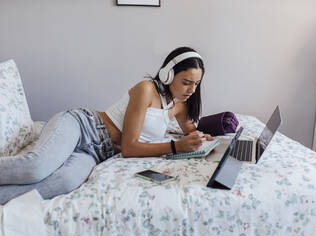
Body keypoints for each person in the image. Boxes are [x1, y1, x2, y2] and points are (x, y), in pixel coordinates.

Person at [0, 46, 213, 204]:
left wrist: (206, 139)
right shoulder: (146, 89)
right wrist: (176, 147)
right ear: (168, 74)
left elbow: (191, 132)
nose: (192, 89)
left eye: (196, 84)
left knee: (64, 182)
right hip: (83, 125)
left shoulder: (180, 105)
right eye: (186, 82)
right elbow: (129, 148)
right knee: (36, 167)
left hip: (97, 152)